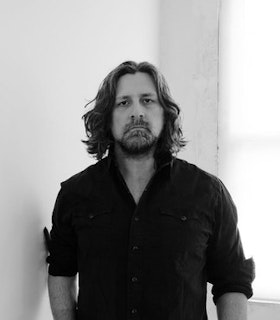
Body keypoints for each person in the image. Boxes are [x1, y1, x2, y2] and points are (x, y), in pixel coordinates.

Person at [46, 61, 255, 320]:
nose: (137, 113)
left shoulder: (208, 192)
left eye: (147, 100)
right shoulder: (75, 194)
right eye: (123, 103)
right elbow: (61, 270)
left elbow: (232, 281)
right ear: (107, 117)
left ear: (165, 113)